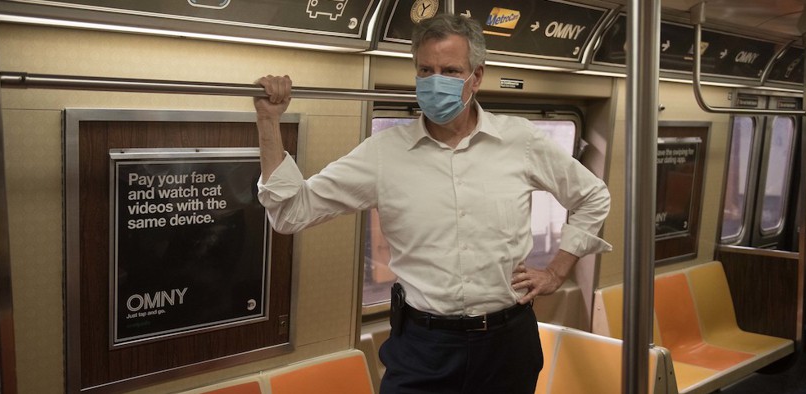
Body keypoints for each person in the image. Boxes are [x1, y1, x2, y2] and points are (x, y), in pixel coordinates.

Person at [253, 13, 611, 394]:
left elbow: (592, 196)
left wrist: (557, 271)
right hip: (424, 346)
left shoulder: (520, 141)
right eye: (426, 69)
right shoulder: (384, 153)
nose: (435, 80)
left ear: (477, 76)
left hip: (508, 342)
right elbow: (290, 212)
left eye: (450, 70)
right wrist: (268, 122)